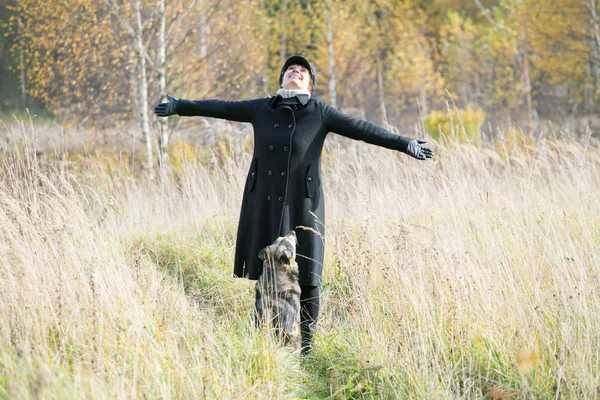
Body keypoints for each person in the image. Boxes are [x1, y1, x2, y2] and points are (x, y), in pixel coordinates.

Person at [154, 55, 434, 354]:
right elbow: (221, 106)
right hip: (264, 199)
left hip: (304, 202)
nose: (296, 71)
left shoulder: (319, 112)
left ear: (310, 84)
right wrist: (180, 105)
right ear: (282, 79)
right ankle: (267, 339)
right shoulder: (262, 107)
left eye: (302, 71)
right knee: (268, 265)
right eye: (291, 69)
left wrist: (403, 143)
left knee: (309, 275)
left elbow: (362, 129)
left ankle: (308, 347)